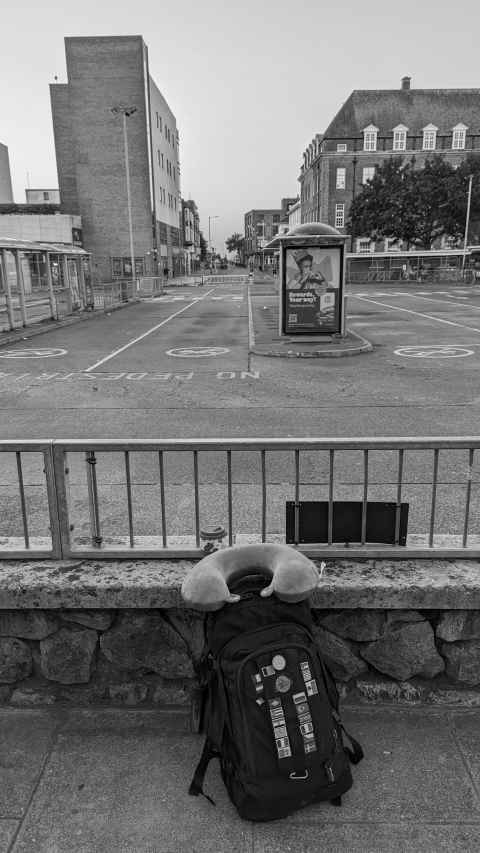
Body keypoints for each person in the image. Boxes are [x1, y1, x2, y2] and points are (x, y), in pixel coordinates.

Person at [288, 249, 335, 323]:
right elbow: (291, 292)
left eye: (310, 266)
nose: (309, 269)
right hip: (299, 310)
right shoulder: (296, 278)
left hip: (313, 311)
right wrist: (302, 280)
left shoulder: (315, 277)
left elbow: (331, 291)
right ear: (300, 268)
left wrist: (322, 281)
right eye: (306, 267)